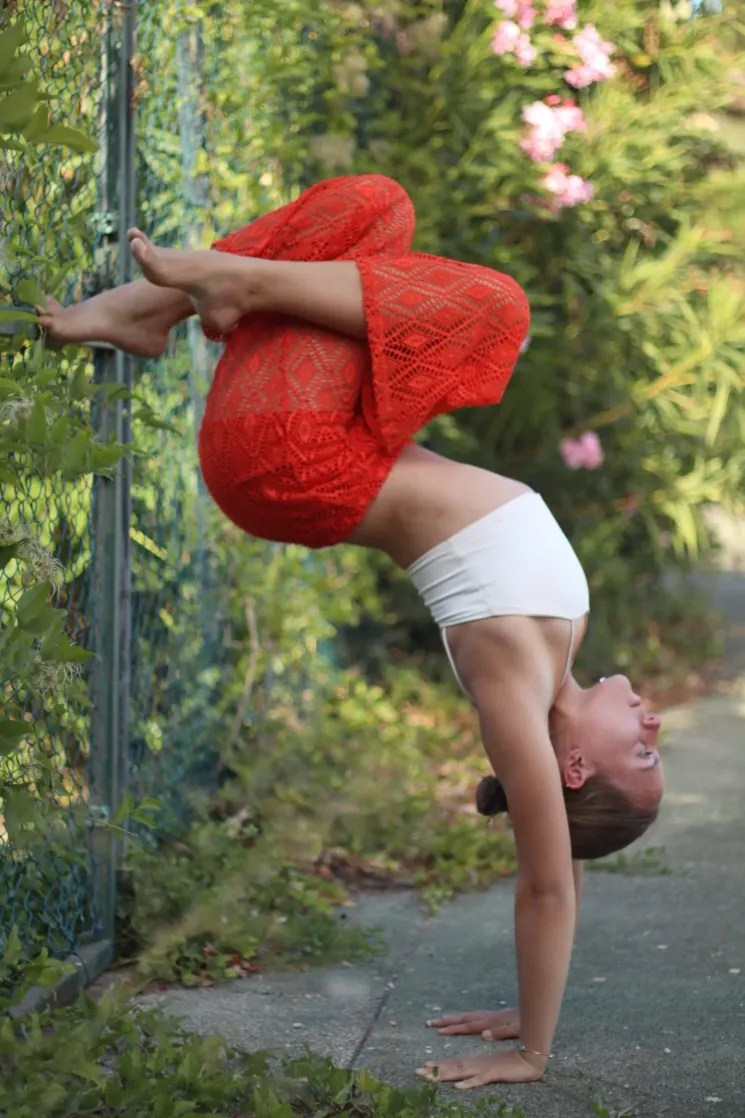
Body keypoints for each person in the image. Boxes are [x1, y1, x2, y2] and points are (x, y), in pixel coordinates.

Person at [39, 174, 663, 1089]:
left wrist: (532, 1049)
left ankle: (209, 290)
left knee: (498, 309)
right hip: (324, 438)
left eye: (641, 757)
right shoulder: (558, 642)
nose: (652, 727)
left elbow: (546, 886)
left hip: (293, 460)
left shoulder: (517, 694)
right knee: (370, 210)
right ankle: (154, 308)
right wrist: (526, 1009)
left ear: (574, 769)